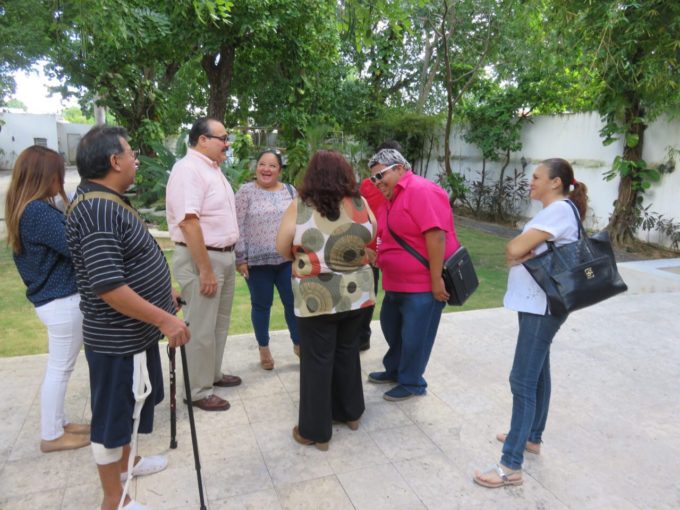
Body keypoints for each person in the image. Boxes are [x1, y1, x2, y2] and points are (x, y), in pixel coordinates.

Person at [66, 125, 190, 510]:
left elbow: (126, 261)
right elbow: (108, 286)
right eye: (131, 152)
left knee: (132, 408)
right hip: (115, 338)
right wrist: (165, 320)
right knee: (111, 419)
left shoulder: (105, 199)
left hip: (131, 335)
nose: (136, 159)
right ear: (114, 160)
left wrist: (162, 290)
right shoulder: (98, 208)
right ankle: (113, 499)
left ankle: (128, 464)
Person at [473, 158, 589, 488]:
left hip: (543, 306)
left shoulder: (559, 211)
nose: (531, 182)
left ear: (556, 182)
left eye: (537, 177)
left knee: (522, 380)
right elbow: (518, 253)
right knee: (538, 373)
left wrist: (518, 253)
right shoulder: (562, 210)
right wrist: (520, 254)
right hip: (541, 303)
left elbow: (513, 248)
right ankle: (532, 436)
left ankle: (511, 466)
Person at [276, 150, 376, 450]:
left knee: (317, 360)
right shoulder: (361, 203)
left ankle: (315, 431)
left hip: (315, 297)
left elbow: (282, 247)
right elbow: (372, 236)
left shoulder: (300, 207)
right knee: (347, 352)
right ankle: (351, 414)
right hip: (357, 293)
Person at [4, 146, 90, 454]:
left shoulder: (26, 207)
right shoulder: (38, 211)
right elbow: (75, 245)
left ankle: (59, 423)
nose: (61, 179)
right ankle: (52, 434)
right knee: (60, 368)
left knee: (59, 367)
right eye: (57, 172)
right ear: (44, 176)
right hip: (62, 300)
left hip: (52, 300)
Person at [366, 148, 460, 401]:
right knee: (392, 327)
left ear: (399, 168)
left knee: (416, 336)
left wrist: (436, 279)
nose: (377, 183)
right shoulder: (392, 198)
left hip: (421, 285)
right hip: (396, 283)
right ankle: (395, 369)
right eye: (373, 178)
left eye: (380, 175)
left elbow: (436, 235)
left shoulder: (420, 190)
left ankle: (412, 382)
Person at [166, 117, 242, 412]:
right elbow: (188, 221)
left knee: (218, 323)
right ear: (202, 140)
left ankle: (212, 375)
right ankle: (198, 390)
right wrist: (206, 269)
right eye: (223, 138)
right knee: (200, 326)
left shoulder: (212, 170)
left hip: (222, 255)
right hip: (203, 258)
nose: (227, 143)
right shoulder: (188, 170)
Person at [235, 149, 299, 370]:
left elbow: (299, 224)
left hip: (287, 261)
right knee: (261, 305)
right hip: (256, 263)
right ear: (256, 168)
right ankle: (264, 348)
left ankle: (299, 345)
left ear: (279, 170)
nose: (266, 169)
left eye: (272, 165)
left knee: (293, 304)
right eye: (262, 164)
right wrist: (240, 258)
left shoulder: (291, 191)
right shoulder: (245, 192)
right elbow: (238, 225)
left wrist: (299, 255)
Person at [356, 141, 397, 351]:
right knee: (368, 294)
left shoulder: (412, 188)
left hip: (395, 250)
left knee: (387, 297)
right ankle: (363, 336)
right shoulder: (366, 185)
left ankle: (367, 337)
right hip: (371, 250)